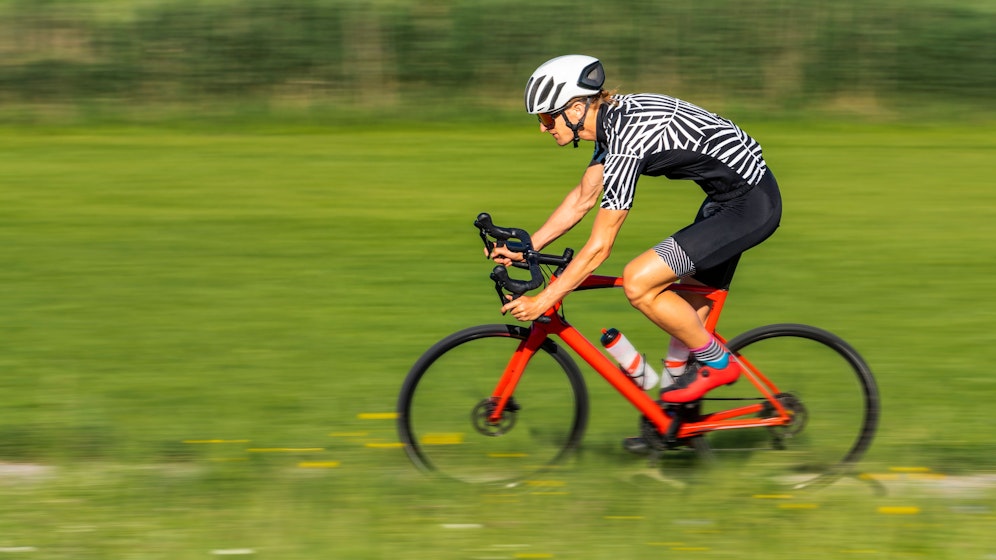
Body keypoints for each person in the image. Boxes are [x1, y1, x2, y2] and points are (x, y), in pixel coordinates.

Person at [492, 54, 782, 448]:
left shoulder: (629, 140)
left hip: (748, 206)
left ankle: (719, 364)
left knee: (639, 281)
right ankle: (673, 427)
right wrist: (527, 248)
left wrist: (547, 297)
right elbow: (582, 198)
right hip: (726, 201)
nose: (544, 129)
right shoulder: (613, 125)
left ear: (577, 108)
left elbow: (600, 246)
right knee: (683, 310)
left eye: (547, 118)